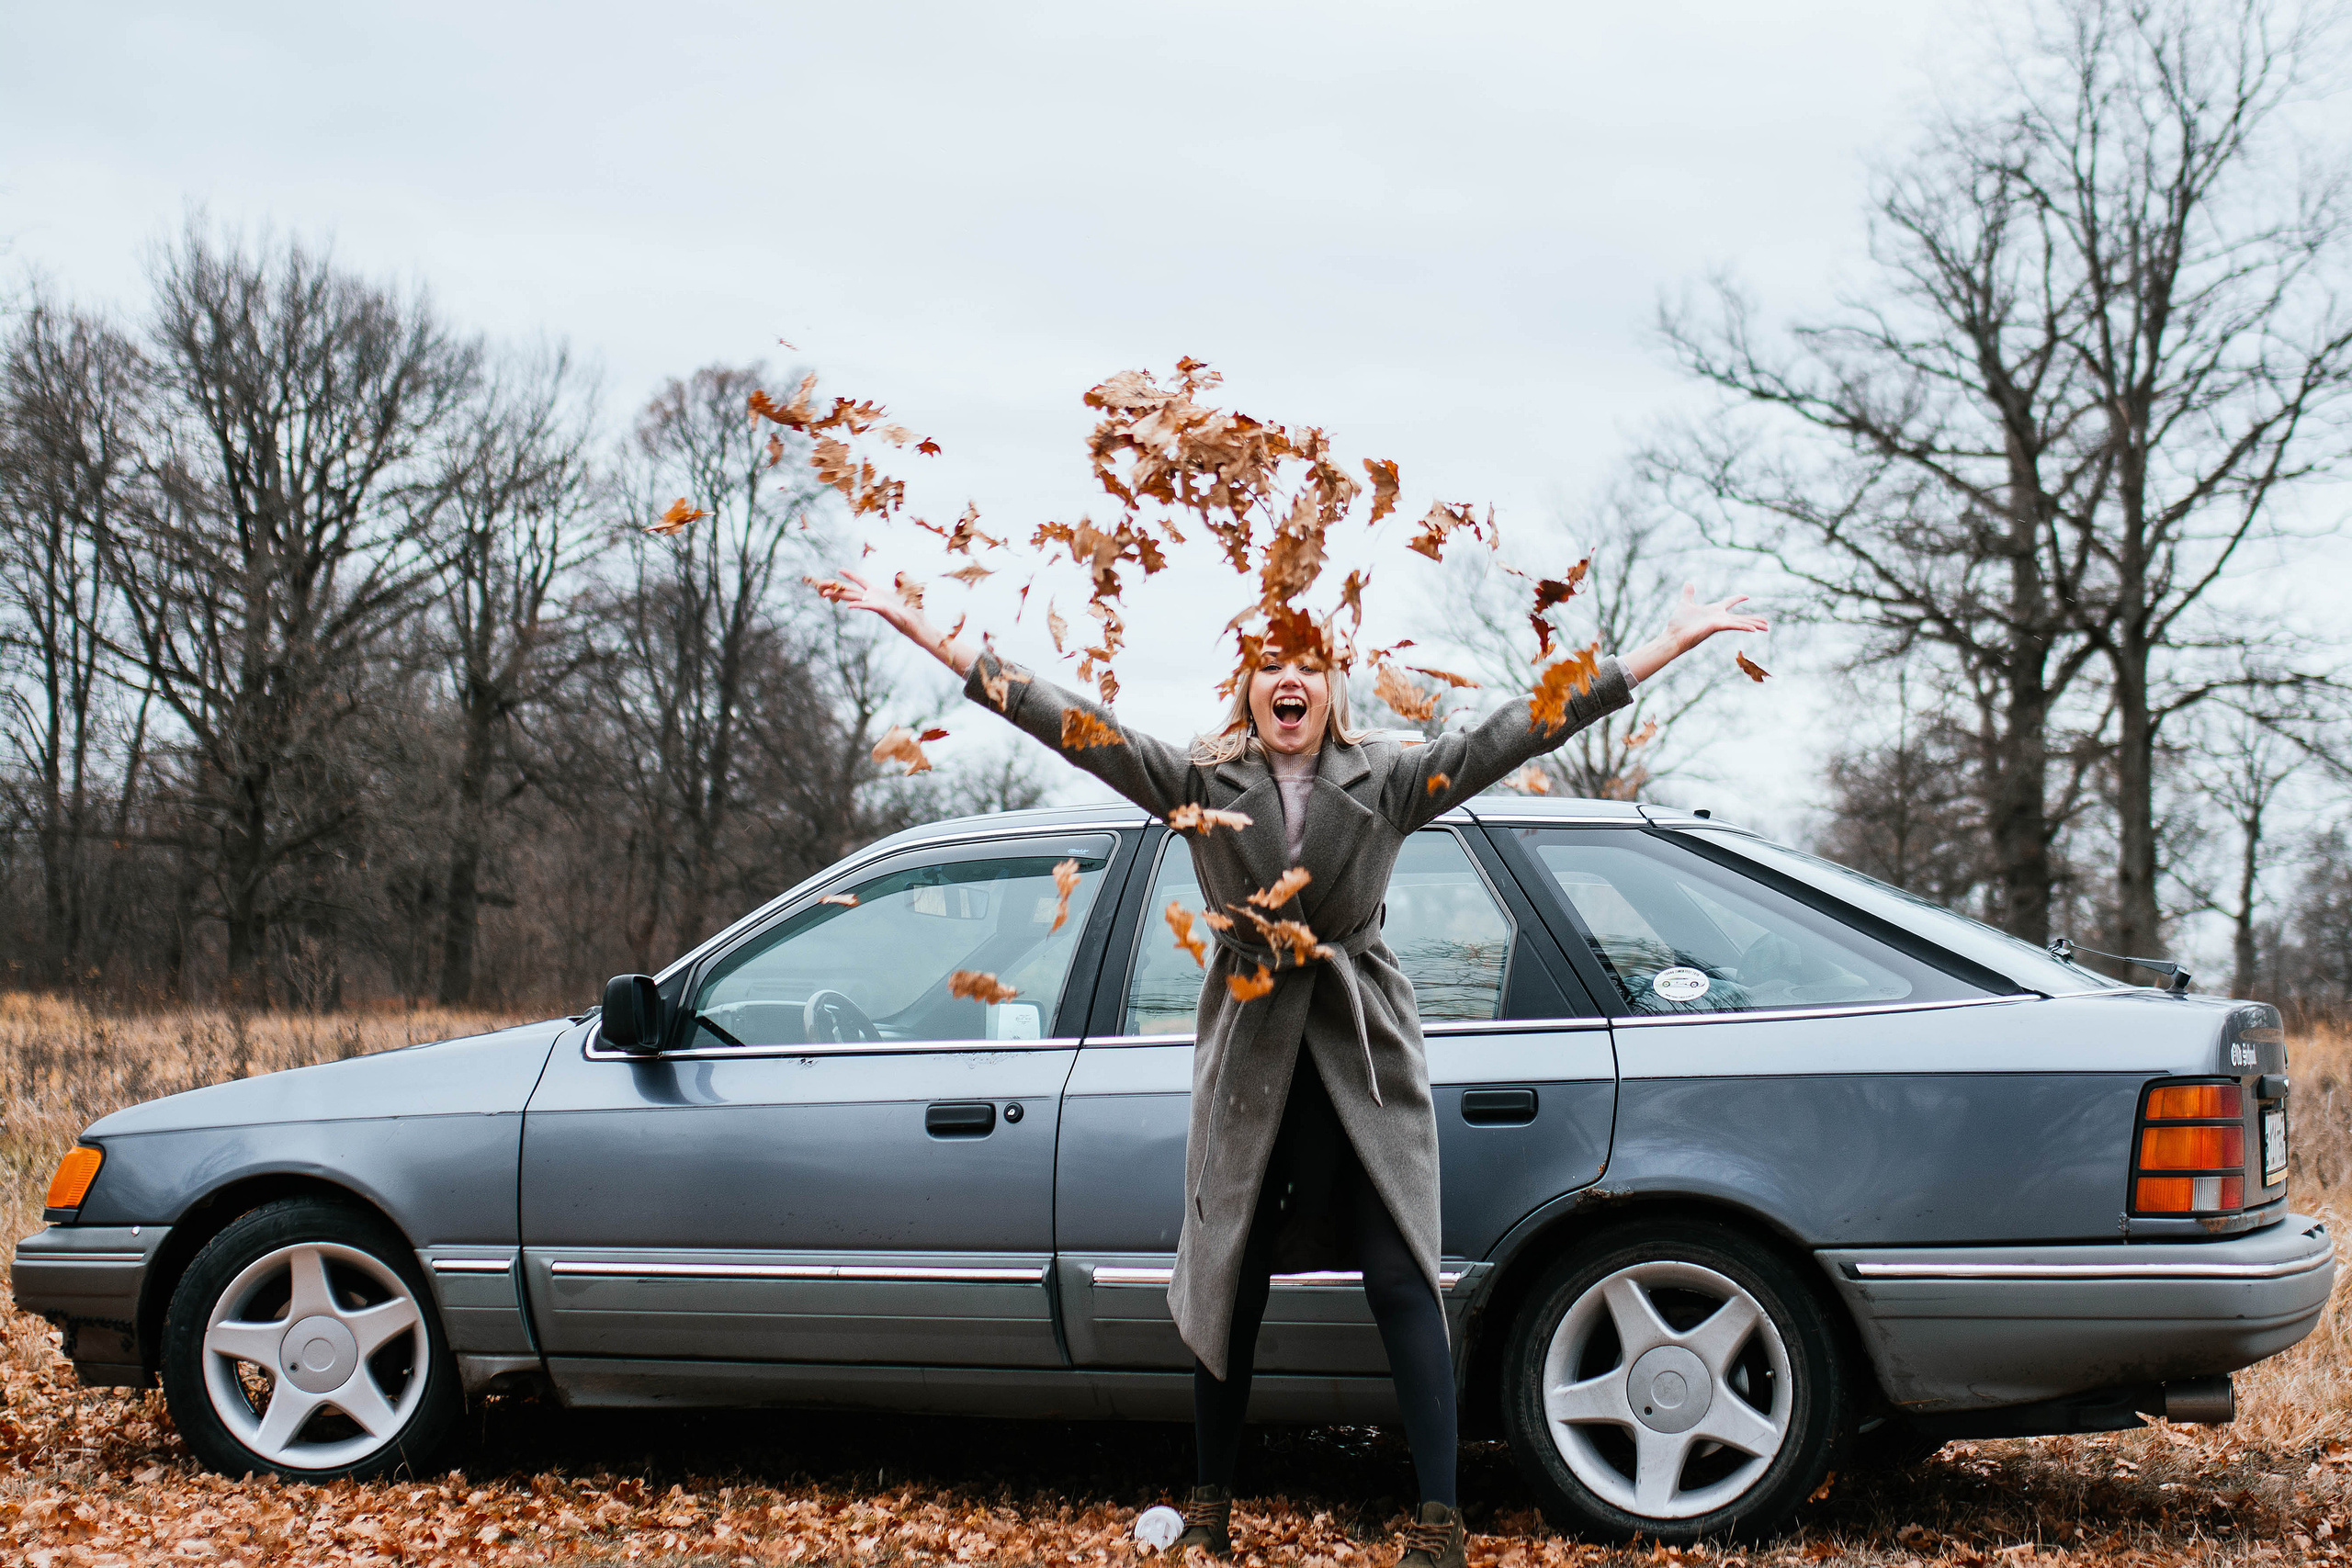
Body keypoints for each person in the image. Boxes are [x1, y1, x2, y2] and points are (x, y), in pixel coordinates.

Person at [831, 571, 1766, 1568]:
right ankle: (1209, 1506)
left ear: (1330, 686)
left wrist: (1657, 650)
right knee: (1227, 1286)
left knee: (1403, 1281)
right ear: (1248, 688)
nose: (1289, 680)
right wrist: (931, 634)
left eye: (1307, 665)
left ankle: (1439, 1520)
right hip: (1252, 1062)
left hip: (1360, 1051)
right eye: (1270, 664)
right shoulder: (1196, 781)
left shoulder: (1392, 777)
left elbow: (1522, 727)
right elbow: (1077, 727)